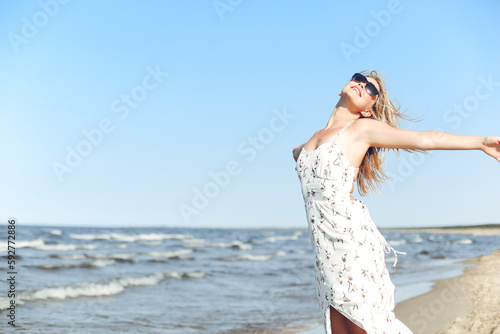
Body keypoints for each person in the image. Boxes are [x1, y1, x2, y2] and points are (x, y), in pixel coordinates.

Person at [292, 70, 500, 334]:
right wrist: (301, 153)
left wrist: (480, 142)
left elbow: (426, 140)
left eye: (371, 90)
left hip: (351, 241)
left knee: (363, 322)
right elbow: (300, 155)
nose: (362, 85)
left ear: (369, 110)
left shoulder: (361, 129)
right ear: (343, 86)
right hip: (324, 250)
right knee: (338, 326)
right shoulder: (305, 145)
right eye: (359, 79)